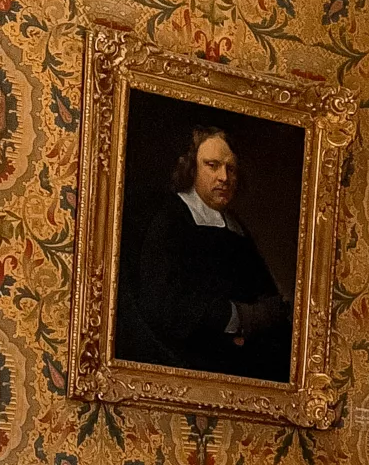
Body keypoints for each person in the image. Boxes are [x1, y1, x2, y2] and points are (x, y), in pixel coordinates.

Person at [119, 119, 291, 380]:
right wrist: (239, 317)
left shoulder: (235, 227)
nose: (224, 177)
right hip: (186, 361)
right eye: (212, 166)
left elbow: (267, 296)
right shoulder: (171, 220)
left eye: (230, 168)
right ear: (191, 168)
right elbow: (165, 305)